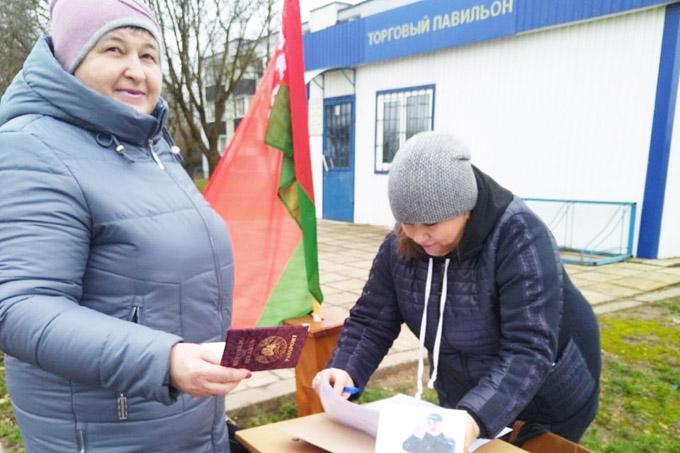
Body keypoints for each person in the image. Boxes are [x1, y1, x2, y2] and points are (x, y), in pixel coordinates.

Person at [0, 0, 250, 451]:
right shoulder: (30, 149)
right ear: (70, 60)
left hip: (188, 425)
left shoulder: (151, 146)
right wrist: (166, 360)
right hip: (112, 435)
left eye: (148, 55)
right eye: (113, 50)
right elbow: (20, 306)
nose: (136, 70)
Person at [314, 131, 601, 450]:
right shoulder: (403, 243)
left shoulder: (520, 238)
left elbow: (527, 348)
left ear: (466, 207)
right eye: (408, 222)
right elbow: (372, 320)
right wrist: (345, 369)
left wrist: (474, 418)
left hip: (545, 395)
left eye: (431, 223)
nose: (419, 236)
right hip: (464, 392)